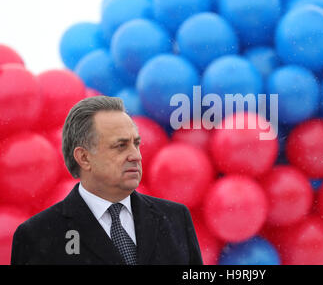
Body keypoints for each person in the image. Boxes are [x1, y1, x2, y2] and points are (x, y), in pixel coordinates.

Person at [11, 96, 203, 265]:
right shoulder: (37, 235)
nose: (136, 156)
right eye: (121, 145)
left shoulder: (175, 218)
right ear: (84, 158)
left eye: (136, 144)